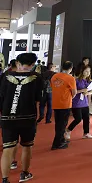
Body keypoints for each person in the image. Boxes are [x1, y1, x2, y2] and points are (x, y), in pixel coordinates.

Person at [0, 53, 42, 183]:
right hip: (27, 117)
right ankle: (24, 173)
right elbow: (38, 99)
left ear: (18, 62)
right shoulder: (36, 77)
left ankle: (5, 179)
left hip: (7, 117)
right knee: (27, 146)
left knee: (7, 148)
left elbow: (1, 97)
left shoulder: (6, 76)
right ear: (33, 64)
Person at [51, 61, 77, 150]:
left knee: (58, 123)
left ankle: (61, 140)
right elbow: (74, 92)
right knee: (62, 124)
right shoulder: (70, 78)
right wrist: (70, 97)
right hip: (65, 104)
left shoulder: (54, 76)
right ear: (71, 68)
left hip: (55, 103)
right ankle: (57, 143)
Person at [66, 64, 92, 140]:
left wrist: (87, 93)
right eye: (86, 71)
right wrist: (81, 90)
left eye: (89, 71)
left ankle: (86, 133)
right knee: (78, 118)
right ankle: (68, 130)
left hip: (85, 103)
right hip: (76, 103)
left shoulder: (89, 81)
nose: (88, 73)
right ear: (82, 71)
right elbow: (72, 92)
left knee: (86, 119)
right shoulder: (76, 80)